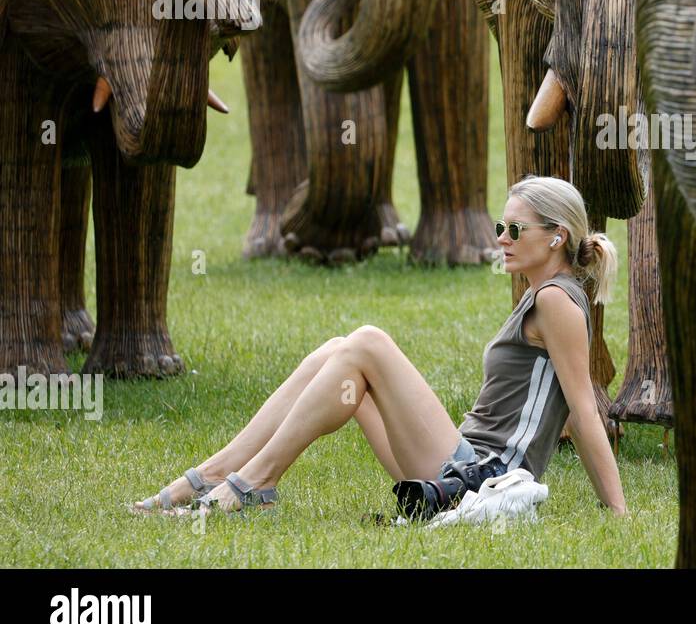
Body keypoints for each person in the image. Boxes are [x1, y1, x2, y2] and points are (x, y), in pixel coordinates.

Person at [131, 176, 627, 517]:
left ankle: (253, 482)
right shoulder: (541, 295)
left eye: (514, 229)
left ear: (557, 237)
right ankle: (212, 475)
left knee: (368, 342)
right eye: (500, 227)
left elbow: (582, 410)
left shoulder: (558, 301)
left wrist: (618, 512)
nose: (502, 238)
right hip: (456, 464)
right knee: (336, 351)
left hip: (485, 477)